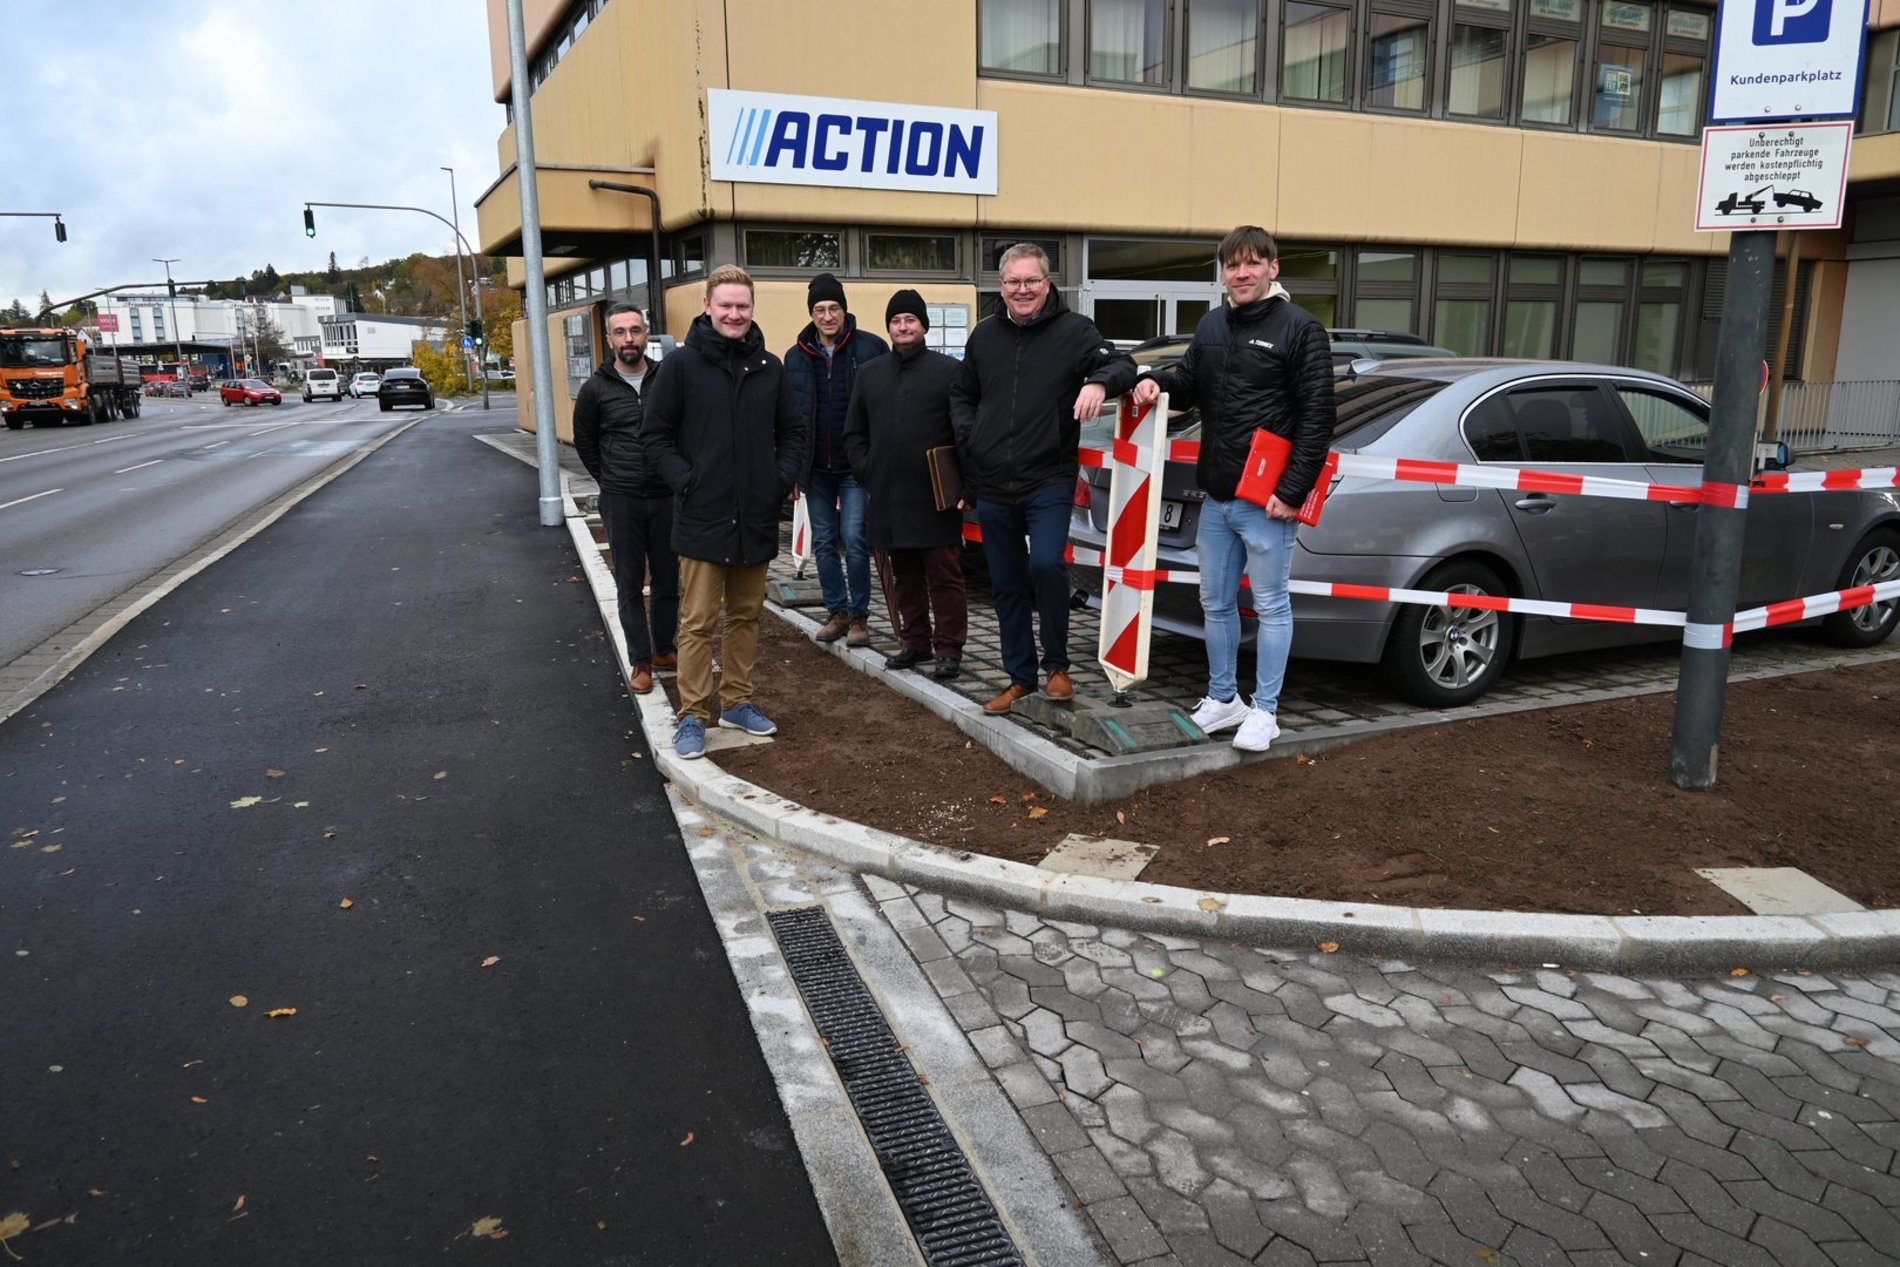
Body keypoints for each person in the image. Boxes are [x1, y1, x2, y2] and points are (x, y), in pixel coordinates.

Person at [1131, 225, 1335, 752]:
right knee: (1215, 603)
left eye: (1251, 263)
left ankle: (1265, 712)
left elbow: (1318, 418)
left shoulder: (1301, 330)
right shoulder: (1213, 325)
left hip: (1267, 501)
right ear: (1223, 272)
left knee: (1270, 606)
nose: (1240, 274)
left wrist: (1291, 491)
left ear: (1273, 268)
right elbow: (1189, 381)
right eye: (1231, 265)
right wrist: (1157, 381)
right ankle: (1224, 700)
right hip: (1218, 496)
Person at [950, 243, 1136, 714]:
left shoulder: (1075, 332)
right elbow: (962, 394)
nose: (1022, 289)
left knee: (1048, 565)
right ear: (1002, 286)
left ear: (1047, 282)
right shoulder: (985, 335)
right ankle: (1020, 677)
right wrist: (974, 437)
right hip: (993, 482)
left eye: (1031, 280)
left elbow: (1122, 365)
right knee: (1007, 583)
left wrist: (1098, 383)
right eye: (1013, 282)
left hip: (1048, 479)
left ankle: (1057, 668)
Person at [641, 265, 807, 760]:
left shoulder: (770, 368)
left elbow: (793, 432)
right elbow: (654, 435)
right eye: (726, 305)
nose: (734, 314)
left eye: (743, 306)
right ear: (708, 307)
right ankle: (693, 713)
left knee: (746, 615)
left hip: (754, 516)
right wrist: (687, 481)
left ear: (752, 310)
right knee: (696, 622)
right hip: (702, 516)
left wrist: (778, 480)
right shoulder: (682, 367)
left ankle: (738, 701)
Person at [844, 289, 966, 680]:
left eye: (910, 320)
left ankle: (949, 649)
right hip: (888, 495)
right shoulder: (870, 373)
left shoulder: (949, 371)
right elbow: (854, 433)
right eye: (896, 321)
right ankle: (915, 643)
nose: (903, 326)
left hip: (935, 495)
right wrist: (869, 470)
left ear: (923, 326)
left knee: (944, 575)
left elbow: (965, 432)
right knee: (904, 576)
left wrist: (963, 484)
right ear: (889, 328)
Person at [572, 302, 676, 696]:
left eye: (635, 330)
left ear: (647, 334)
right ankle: (641, 661)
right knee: (630, 583)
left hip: (667, 496)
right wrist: (612, 478)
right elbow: (586, 441)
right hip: (622, 500)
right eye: (620, 332)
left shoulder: (666, 379)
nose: (629, 339)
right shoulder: (595, 389)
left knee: (668, 579)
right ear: (608, 338)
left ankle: (665, 649)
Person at [785, 273, 889, 647]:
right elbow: (791, 418)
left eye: (833, 308)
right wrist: (793, 471)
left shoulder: (871, 349)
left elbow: (886, 408)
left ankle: (860, 616)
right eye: (819, 310)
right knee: (825, 542)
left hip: (856, 466)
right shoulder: (795, 357)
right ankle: (837, 611)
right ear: (811, 314)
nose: (827, 316)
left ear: (844, 310)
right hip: (815, 469)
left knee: (855, 539)